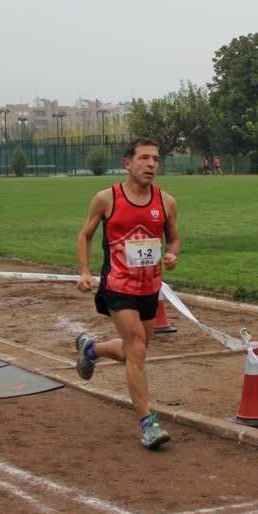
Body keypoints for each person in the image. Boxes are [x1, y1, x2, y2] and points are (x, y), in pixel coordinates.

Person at [74, 137, 180, 450]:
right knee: (136, 346)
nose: (151, 164)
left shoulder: (166, 202)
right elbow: (85, 235)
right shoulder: (107, 199)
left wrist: (172, 255)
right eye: (144, 158)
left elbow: (174, 240)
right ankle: (148, 424)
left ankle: (91, 350)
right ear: (127, 163)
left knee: (135, 350)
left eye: (155, 159)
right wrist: (84, 271)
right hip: (117, 286)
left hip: (150, 288)